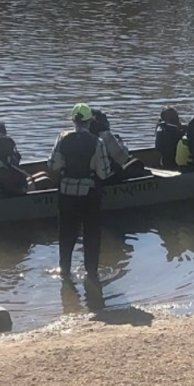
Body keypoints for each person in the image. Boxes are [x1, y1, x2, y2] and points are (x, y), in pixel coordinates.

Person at [48, 103, 112, 280]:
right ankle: (92, 274)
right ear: (90, 121)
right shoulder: (96, 142)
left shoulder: (62, 138)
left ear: (73, 120)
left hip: (66, 195)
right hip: (90, 195)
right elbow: (104, 173)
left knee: (66, 235)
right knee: (91, 235)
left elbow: (52, 165)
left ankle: (65, 273)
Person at [90, 109, 147, 182]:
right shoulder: (106, 136)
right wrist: (121, 144)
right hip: (107, 178)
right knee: (137, 163)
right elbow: (122, 159)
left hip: (91, 177)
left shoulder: (85, 136)